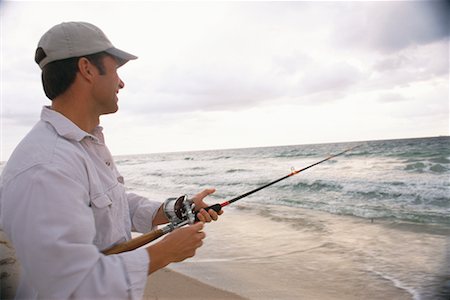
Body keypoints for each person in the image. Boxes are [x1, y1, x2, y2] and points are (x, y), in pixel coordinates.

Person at [0, 21, 221, 299]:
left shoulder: (83, 144)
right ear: (87, 69)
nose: (121, 82)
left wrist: (177, 209)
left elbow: (114, 207)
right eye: (116, 69)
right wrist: (164, 252)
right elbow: (69, 285)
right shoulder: (46, 166)